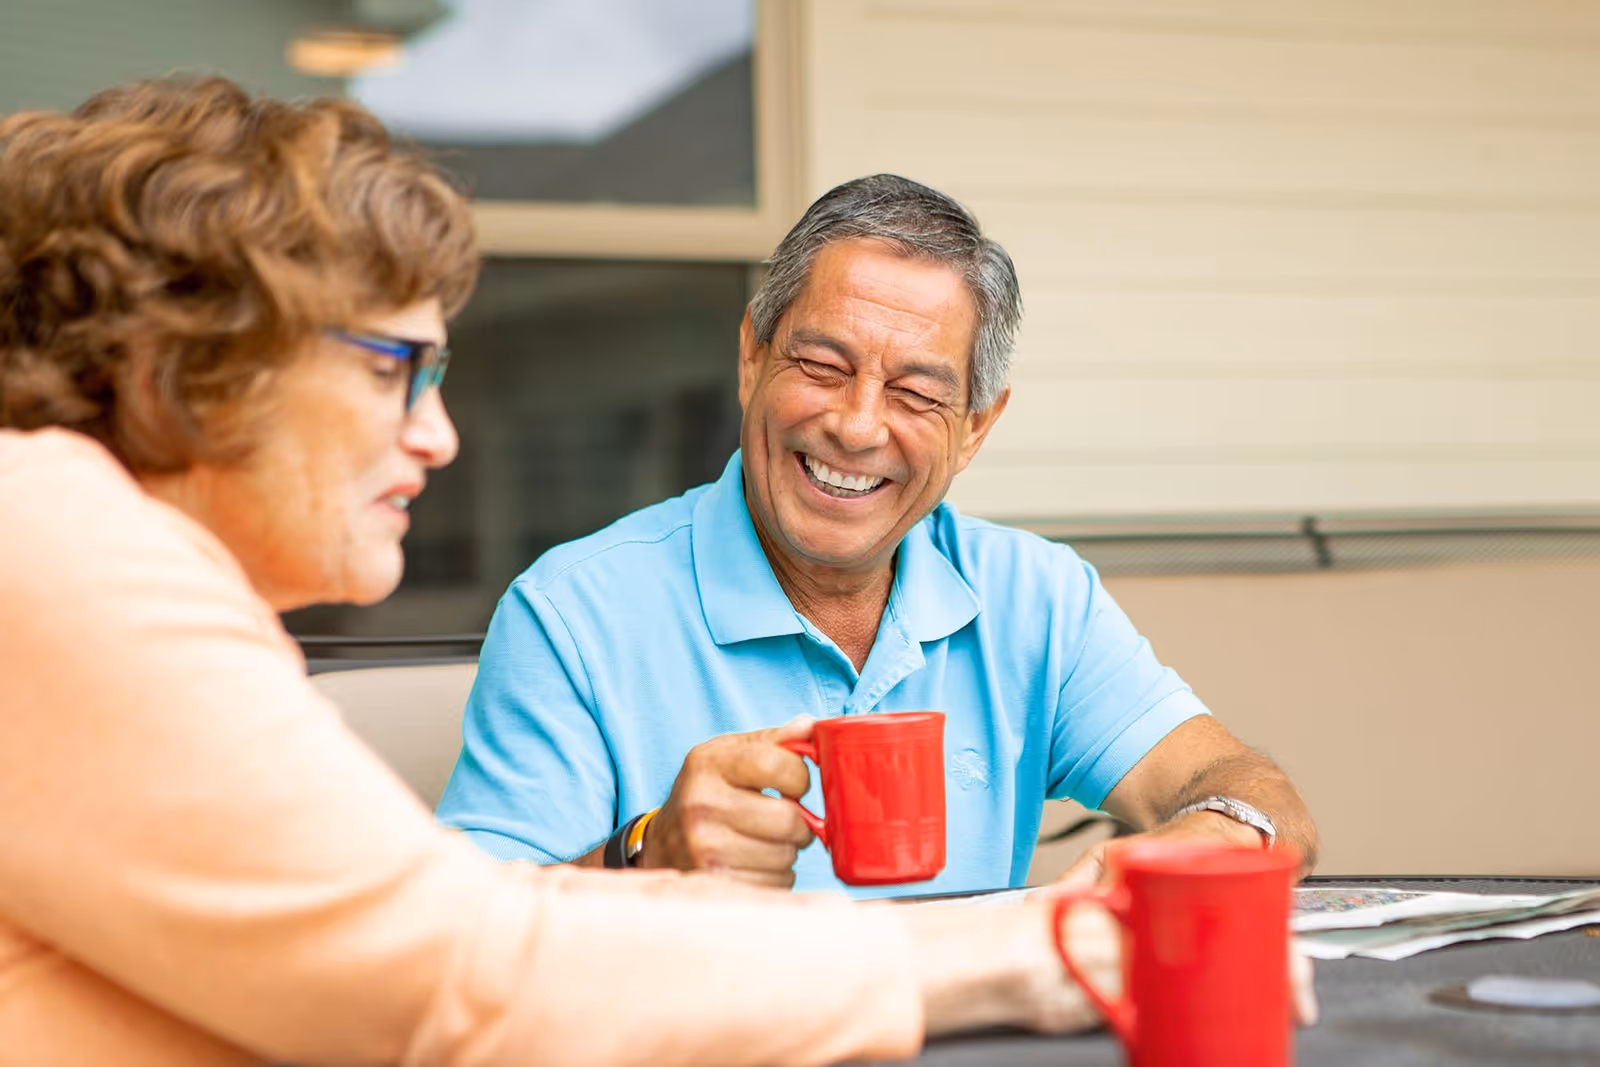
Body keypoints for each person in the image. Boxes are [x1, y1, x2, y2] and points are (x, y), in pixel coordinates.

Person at [0, 76, 1163, 1065]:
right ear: (174, 370)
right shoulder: (52, 542)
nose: (437, 435)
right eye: (390, 366)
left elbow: (451, 926)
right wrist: (1012, 950)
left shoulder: (100, 558)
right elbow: (460, 973)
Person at [437, 174, 1320, 896]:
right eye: (823, 366)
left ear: (975, 427)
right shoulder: (572, 612)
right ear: (751, 358)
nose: (858, 427)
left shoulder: (1035, 594)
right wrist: (644, 855)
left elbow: (1255, 791)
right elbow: (457, 940)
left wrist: (1215, 837)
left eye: (916, 394)